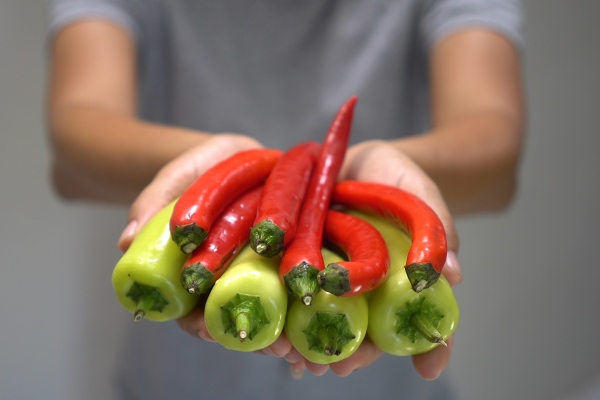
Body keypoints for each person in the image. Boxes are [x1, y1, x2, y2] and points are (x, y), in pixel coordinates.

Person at [45, 0, 525, 398]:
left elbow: (496, 152)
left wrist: (388, 166)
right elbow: (73, 146)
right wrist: (216, 171)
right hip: (180, 379)